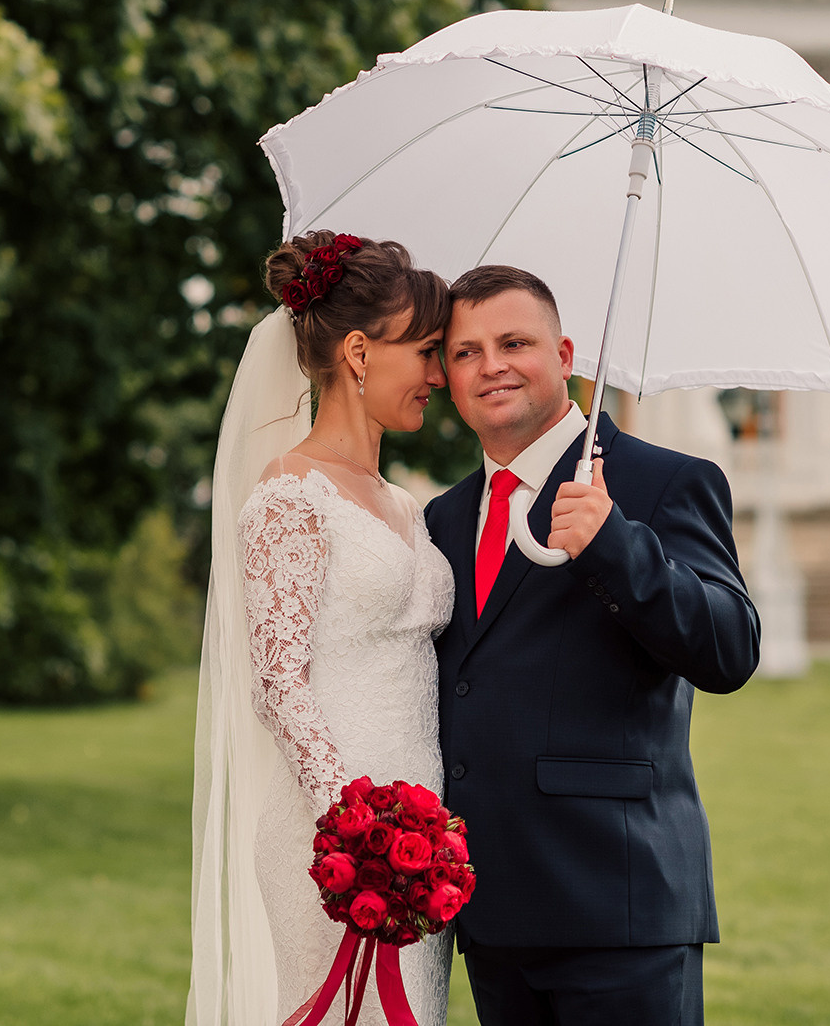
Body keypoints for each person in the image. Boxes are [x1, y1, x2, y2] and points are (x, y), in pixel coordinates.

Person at [425, 265, 761, 1026]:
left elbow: (731, 648)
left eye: (515, 342)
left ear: (566, 352)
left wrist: (615, 543)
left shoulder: (665, 483)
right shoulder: (444, 517)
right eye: (467, 350)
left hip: (620, 905)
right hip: (489, 912)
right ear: (447, 373)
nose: (492, 365)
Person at [187, 231, 457, 1026]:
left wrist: (420, 840)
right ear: (361, 352)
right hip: (333, 838)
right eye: (427, 351)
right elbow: (280, 684)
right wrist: (360, 829)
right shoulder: (288, 498)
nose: (439, 376)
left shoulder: (406, 504)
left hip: (425, 841)